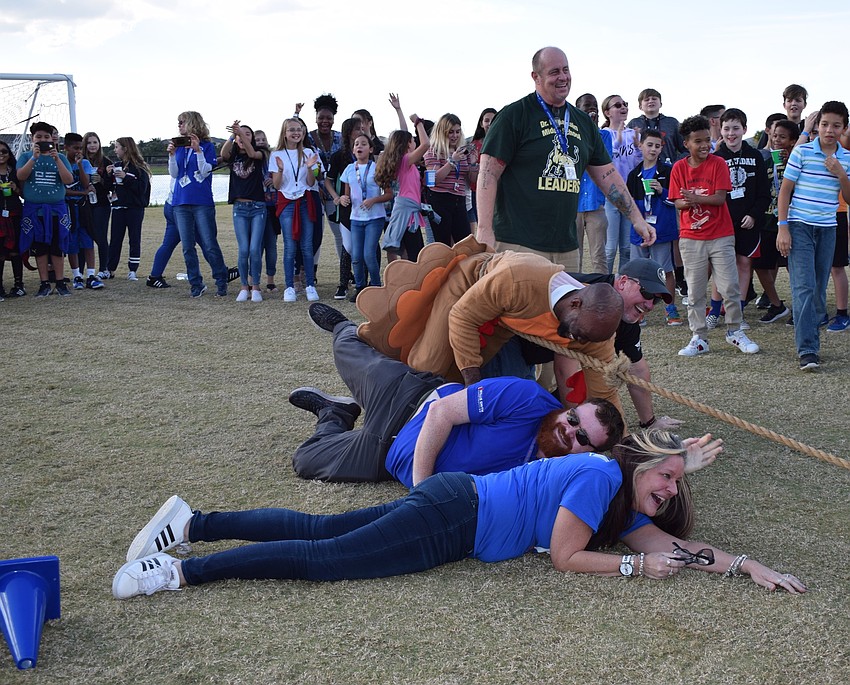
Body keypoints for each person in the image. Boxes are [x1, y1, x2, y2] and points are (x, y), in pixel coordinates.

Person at [112, 430, 806, 598]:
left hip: (453, 505)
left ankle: (192, 521)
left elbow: (682, 548)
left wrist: (747, 565)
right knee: (323, 559)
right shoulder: (601, 473)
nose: (666, 496)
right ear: (647, 460)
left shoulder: (620, 500)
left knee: (322, 530)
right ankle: (179, 573)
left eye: (672, 497)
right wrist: (631, 564)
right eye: (667, 480)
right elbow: (567, 556)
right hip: (455, 519)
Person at [287, 303, 624, 484]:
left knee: (306, 460)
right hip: (410, 401)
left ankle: (335, 413)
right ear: (570, 408)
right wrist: (422, 491)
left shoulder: (555, 474)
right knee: (352, 354)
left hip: (384, 455)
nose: (570, 430)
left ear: (587, 452)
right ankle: (343, 327)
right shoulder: (526, 397)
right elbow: (442, 413)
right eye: (574, 417)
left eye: (582, 436)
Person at [357, 243, 626, 413]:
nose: (579, 340)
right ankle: (350, 338)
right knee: (427, 363)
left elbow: (603, 389)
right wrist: (475, 390)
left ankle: (432, 414)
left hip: (501, 322)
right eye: (579, 332)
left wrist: (620, 441)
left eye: (586, 338)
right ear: (575, 303)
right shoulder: (518, 279)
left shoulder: (595, 331)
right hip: (467, 290)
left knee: (456, 376)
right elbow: (463, 316)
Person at [476, 46, 655, 269]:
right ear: (536, 77)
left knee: (565, 303)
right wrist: (484, 229)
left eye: (566, 70)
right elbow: (488, 174)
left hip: (566, 247)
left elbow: (608, 175)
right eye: (554, 72)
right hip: (519, 243)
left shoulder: (581, 122)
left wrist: (636, 219)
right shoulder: (514, 115)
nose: (563, 77)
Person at [668, 115, 761, 357]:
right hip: (690, 238)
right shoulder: (678, 168)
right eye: (698, 141)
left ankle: (734, 331)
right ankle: (699, 337)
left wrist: (694, 198)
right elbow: (677, 202)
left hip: (721, 235)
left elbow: (720, 198)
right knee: (695, 291)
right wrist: (687, 201)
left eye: (707, 140)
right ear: (686, 143)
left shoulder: (719, 163)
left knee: (729, 286)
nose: (704, 145)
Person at [560, 259, 682, 430]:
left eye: (656, 300)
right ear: (623, 282)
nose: (650, 306)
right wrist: (574, 424)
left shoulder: (627, 317)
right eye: (647, 294)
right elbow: (565, 364)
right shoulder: (589, 298)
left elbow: (637, 369)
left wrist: (649, 422)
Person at [777, 101, 850, 371]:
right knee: (804, 287)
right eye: (824, 124)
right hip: (799, 225)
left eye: (836, 125)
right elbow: (785, 190)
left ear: (844, 128)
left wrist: (841, 174)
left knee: (818, 290)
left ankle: (808, 325)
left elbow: (849, 197)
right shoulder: (803, 152)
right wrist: (782, 227)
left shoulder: (846, 158)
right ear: (817, 125)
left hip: (828, 227)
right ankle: (808, 350)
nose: (829, 130)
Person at [708, 109, 770, 330]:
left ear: (744, 129)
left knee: (744, 263)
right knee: (721, 266)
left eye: (736, 128)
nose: (731, 133)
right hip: (722, 222)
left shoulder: (755, 157)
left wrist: (754, 214)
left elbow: (764, 193)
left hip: (748, 221)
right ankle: (715, 311)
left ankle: (738, 313)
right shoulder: (715, 158)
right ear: (720, 130)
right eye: (727, 129)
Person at [169, 111, 230, 298]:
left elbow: (205, 172)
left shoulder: (207, 146)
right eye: (178, 122)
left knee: (209, 243)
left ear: (193, 123)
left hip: (202, 201)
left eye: (182, 122)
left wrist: (198, 151)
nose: (179, 125)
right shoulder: (179, 146)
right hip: (180, 201)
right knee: (187, 246)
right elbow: (174, 173)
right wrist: (172, 156)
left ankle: (221, 280)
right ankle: (196, 284)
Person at [626, 130, 682, 326]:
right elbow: (629, 204)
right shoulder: (634, 175)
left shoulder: (668, 171)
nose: (653, 149)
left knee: (665, 270)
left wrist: (662, 191)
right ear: (640, 146)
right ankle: (636, 309)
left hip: (662, 230)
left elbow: (677, 199)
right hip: (639, 231)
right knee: (636, 272)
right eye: (649, 145)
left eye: (657, 146)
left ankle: (670, 308)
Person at [16, 121, 74, 297]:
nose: (42, 140)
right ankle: (44, 283)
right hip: (35, 210)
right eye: (38, 137)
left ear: (53, 139)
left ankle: (60, 281)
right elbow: (21, 175)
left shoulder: (61, 158)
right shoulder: (26, 157)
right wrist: (34, 157)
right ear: (32, 139)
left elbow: (68, 180)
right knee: (40, 248)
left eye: (46, 137)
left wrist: (56, 158)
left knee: (57, 246)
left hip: (56, 210)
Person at [270, 118, 321, 303]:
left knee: (307, 246)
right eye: (291, 130)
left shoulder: (308, 152)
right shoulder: (277, 154)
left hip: (305, 200)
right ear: (285, 133)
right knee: (290, 246)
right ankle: (289, 287)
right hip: (286, 203)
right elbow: (276, 185)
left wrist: (309, 168)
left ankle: (309, 286)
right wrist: (281, 171)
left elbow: (311, 182)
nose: (296, 133)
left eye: (299, 129)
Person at [752, 119, 796, 324]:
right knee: (761, 265)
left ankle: (801, 308)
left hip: (790, 223)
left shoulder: (796, 162)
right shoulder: (765, 160)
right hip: (768, 222)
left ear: (792, 141)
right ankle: (777, 305)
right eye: (774, 135)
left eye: (782, 137)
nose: (777, 140)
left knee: (793, 267)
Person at [339, 133, 392, 299]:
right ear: (353, 150)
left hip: (374, 218)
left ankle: (376, 287)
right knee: (356, 256)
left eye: (363, 144)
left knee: (369, 254)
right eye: (356, 144)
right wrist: (343, 199)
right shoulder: (349, 169)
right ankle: (360, 288)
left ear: (370, 149)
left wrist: (374, 200)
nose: (359, 146)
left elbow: (389, 194)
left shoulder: (377, 168)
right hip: (356, 219)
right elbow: (346, 193)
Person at [221, 121, 267, 302]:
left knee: (255, 249)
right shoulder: (233, 157)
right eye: (241, 134)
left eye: (248, 134)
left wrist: (242, 135)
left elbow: (251, 151)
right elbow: (223, 154)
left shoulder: (259, 154)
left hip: (257, 208)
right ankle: (243, 286)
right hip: (239, 209)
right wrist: (233, 135)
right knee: (244, 249)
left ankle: (255, 286)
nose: (243, 136)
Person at [374, 116, 430, 262]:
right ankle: (411, 282)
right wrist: (418, 123)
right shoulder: (405, 160)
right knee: (416, 255)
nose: (415, 143)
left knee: (410, 254)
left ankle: (406, 281)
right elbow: (426, 144)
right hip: (407, 214)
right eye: (412, 140)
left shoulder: (404, 162)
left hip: (406, 211)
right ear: (406, 144)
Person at [601, 94, 642, 273]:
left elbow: (638, 164)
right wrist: (616, 145)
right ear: (607, 112)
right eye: (618, 105)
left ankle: (622, 286)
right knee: (610, 249)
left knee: (626, 248)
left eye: (625, 104)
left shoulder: (633, 134)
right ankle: (606, 284)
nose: (623, 107)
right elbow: (602, 164)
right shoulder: (603, 135)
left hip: (629, 195)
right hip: (610, 196)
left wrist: (640, 149)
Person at [424, 114, 477, 246]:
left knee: (464, 244)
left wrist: (473, 164)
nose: (455, 136)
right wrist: (452, 161)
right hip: (440, 200)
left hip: (459, 200)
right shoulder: (433, 151)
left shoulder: (463, 152)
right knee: (443, 245)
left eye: (458, 132)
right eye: (451, 132)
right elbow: (432, 181)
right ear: (442, 133)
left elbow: (471, 180)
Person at [106, 137, 151, 282]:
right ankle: (110, 269)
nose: (115, 150)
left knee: (134, 239)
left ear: (125, 148)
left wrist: (126, 177)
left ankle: (132, 270)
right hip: (118, 208)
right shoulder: (117, 165)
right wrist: (108, 176)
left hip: (135, 209)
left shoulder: (140, 168)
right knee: (115, 240)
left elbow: (141, 189)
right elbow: (110, 187)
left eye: (117, 147)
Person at [61, 133, 102, 290]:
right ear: (66, 147)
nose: (78, 151)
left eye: (80, 148)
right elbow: (63, 191)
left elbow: (86, 184)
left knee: (87, 240)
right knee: (72, 241)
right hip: (68, 208)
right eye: (75, 148)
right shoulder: (61, 163)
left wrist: (79, 165)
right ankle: (77, 275)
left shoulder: (83, 163)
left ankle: (91, 275)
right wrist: (81, 193)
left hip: (83, 207)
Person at [574, 94, 610, 273]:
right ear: (577, 110)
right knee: (574, 255)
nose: (592, 109)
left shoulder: (604, 136)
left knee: (598, 255)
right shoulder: (570, 135)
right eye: (587, 106)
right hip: (574, 205)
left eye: (594, 106)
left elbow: (603, 162)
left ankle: (601, 294)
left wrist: (592, 129)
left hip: (596, 205)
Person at [626, 88, 686, 167]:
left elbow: (686, 149)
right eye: (646, 100)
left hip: (668, 170)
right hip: (641, 171)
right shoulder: (633, 124)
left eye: (654, 99)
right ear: (640, 106)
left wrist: (675, 164)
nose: (651, 101)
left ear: (660, 104)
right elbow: (626, 151)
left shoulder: (672, 123)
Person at [83, 132, 113, 280]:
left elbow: (111, 186)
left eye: (95, 142)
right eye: (89, 143)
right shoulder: (81, 161)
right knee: (86, 235)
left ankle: (103, 269)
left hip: (101, 203)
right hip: (85, 203)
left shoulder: (106, 162)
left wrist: (101, 179)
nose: (92, 145)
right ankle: (81, 271)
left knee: (101, 236)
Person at [0, 141, 24, 297]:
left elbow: (24, 194)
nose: (1, 154)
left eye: (4, 151)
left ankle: (18, 285)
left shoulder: (15, 172)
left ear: (9, 154)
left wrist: (16, 189)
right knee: (0, 252)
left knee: (16, 251)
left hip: (15, 214)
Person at [468, 107, 496, 232]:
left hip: (500, 193)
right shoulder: (474, 146)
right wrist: (475, 166)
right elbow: (471, 179)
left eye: (493, 120)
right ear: (481, 123)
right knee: (484, 228)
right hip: (479, 193)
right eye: (486, 120)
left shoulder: (506, 142)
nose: (490, 123)